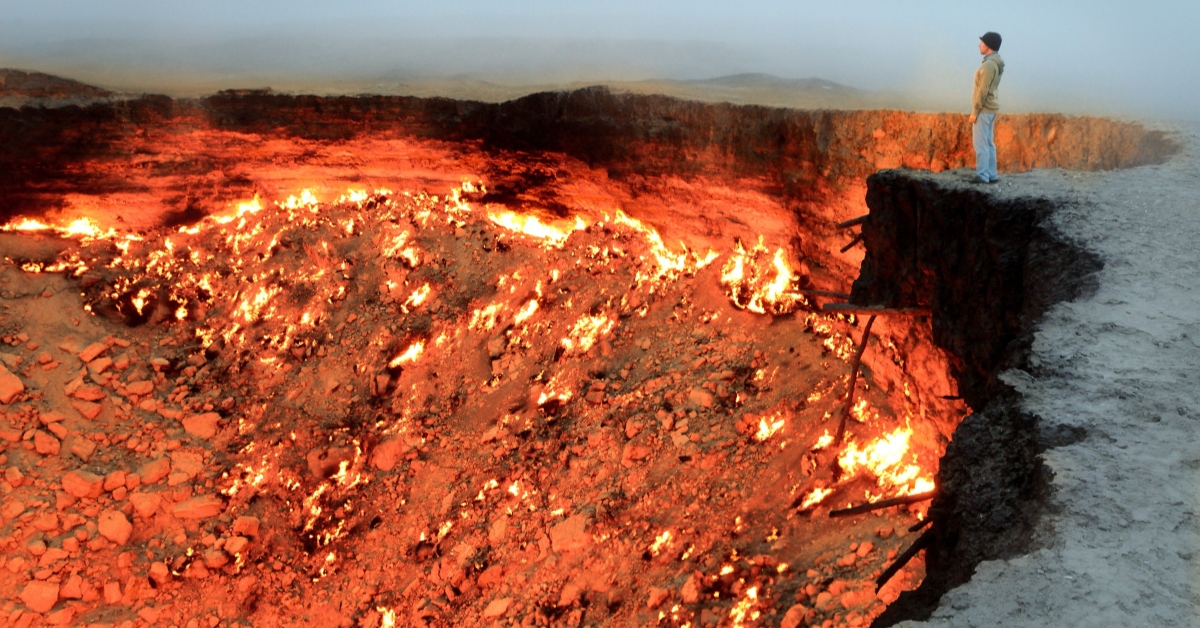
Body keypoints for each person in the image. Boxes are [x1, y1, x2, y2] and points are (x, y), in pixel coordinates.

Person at [970, 32, 1004, 183]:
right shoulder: (995, 63)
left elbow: (982, 91)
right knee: (989, 143)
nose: (979, 45)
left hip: (984, 110)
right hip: (991, 108)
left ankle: (982, 176)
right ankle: (992, 175)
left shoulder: (989, 65)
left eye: (982, 42)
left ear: (988, 45)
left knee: (981, 144)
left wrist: (975, 111)